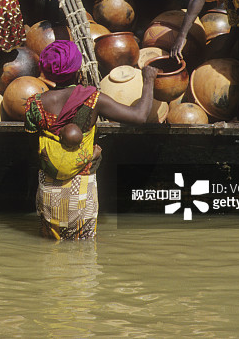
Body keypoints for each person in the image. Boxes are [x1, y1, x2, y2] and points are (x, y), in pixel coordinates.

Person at [24, 40, 157, 240]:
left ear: (46, 72)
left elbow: (34, 148)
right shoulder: (93, 99)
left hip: (49, 189)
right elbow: (139, 116)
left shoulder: (35, 105)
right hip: (82, 189)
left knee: (50, 249)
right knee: (83, 252)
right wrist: (148, 80)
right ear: (78, 69)